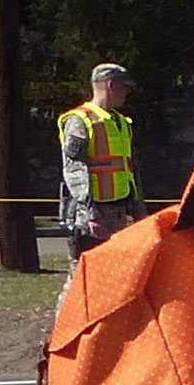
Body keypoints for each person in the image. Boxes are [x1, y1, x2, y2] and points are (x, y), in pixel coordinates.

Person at [58, 62, 148, 270]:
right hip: (92, 216)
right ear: (110, 85)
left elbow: (130, 170)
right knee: (84, 277)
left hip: (118, 212)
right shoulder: (80, 121)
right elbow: (74, 170)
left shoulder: (120, 123)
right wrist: (89, 214)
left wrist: (139, 213)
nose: (127, 92)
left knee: (113, 274)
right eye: (124, 86)